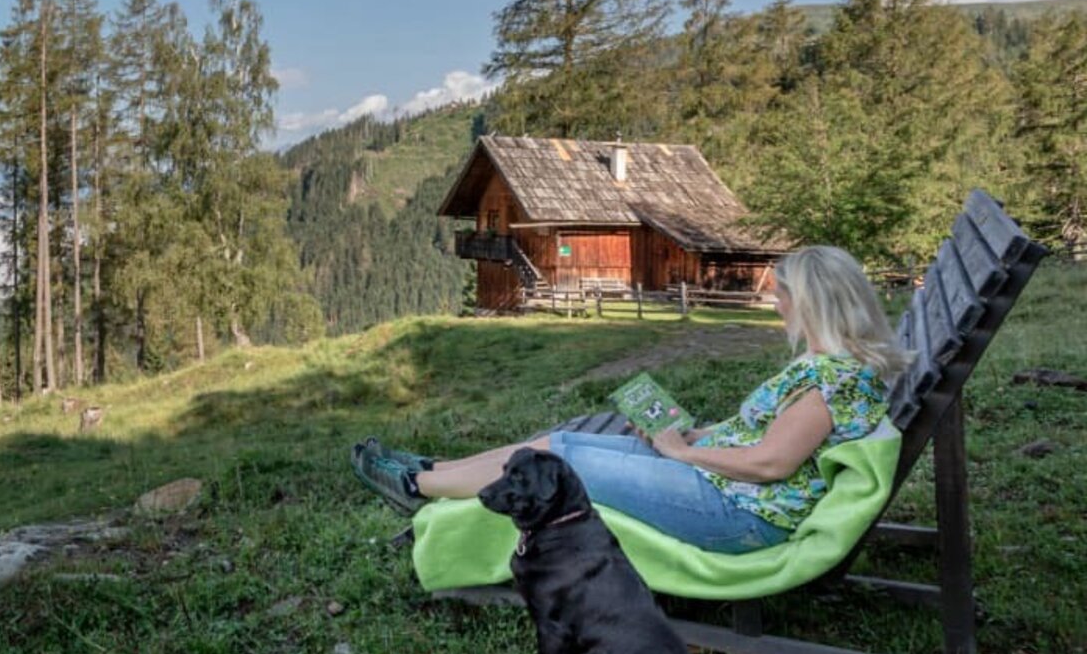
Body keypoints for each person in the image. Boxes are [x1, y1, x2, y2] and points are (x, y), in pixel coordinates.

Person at [352, 246, 911, 554]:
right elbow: (771, 443)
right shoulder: (836, 370)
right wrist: (697, 436)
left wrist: (683, 453)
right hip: (723, 492)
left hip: (736, 516)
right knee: (564, 442)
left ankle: (416, 486)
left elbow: (773, 463)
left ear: (809, 303)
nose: (776, 305)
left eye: (782, 295)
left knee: (562, 459)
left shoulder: (830, 377)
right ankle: (430, 473)